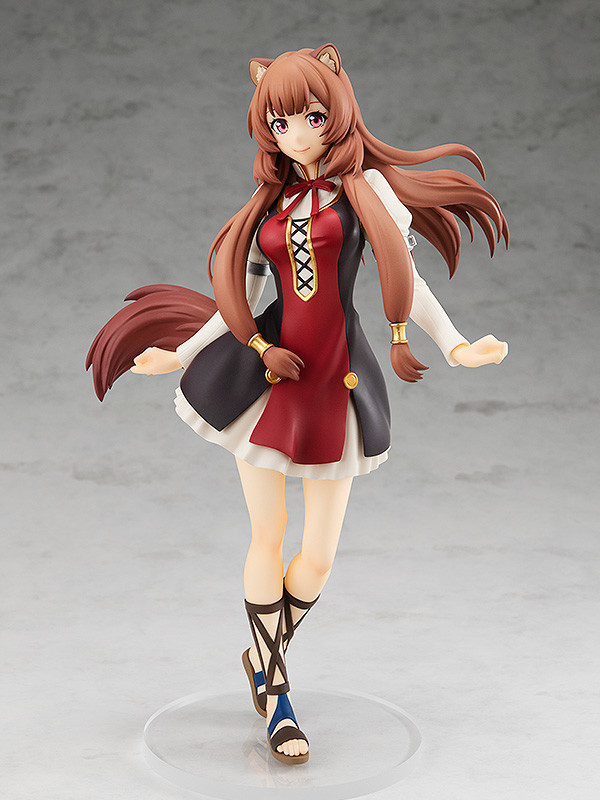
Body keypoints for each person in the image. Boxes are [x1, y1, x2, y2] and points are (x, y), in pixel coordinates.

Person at [86, 44, 508, 765]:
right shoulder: (271, 207)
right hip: (267, 375)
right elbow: (243, 298)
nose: (297, 133)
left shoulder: (369, 191)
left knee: (318, 556)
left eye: (310, 115)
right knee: (267, 534)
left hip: (336, 379)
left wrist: (455, 343)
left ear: (336, 108)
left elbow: (406, 279)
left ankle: (260, 654)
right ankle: (278, 695)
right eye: (280, 123)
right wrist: (181, 354)